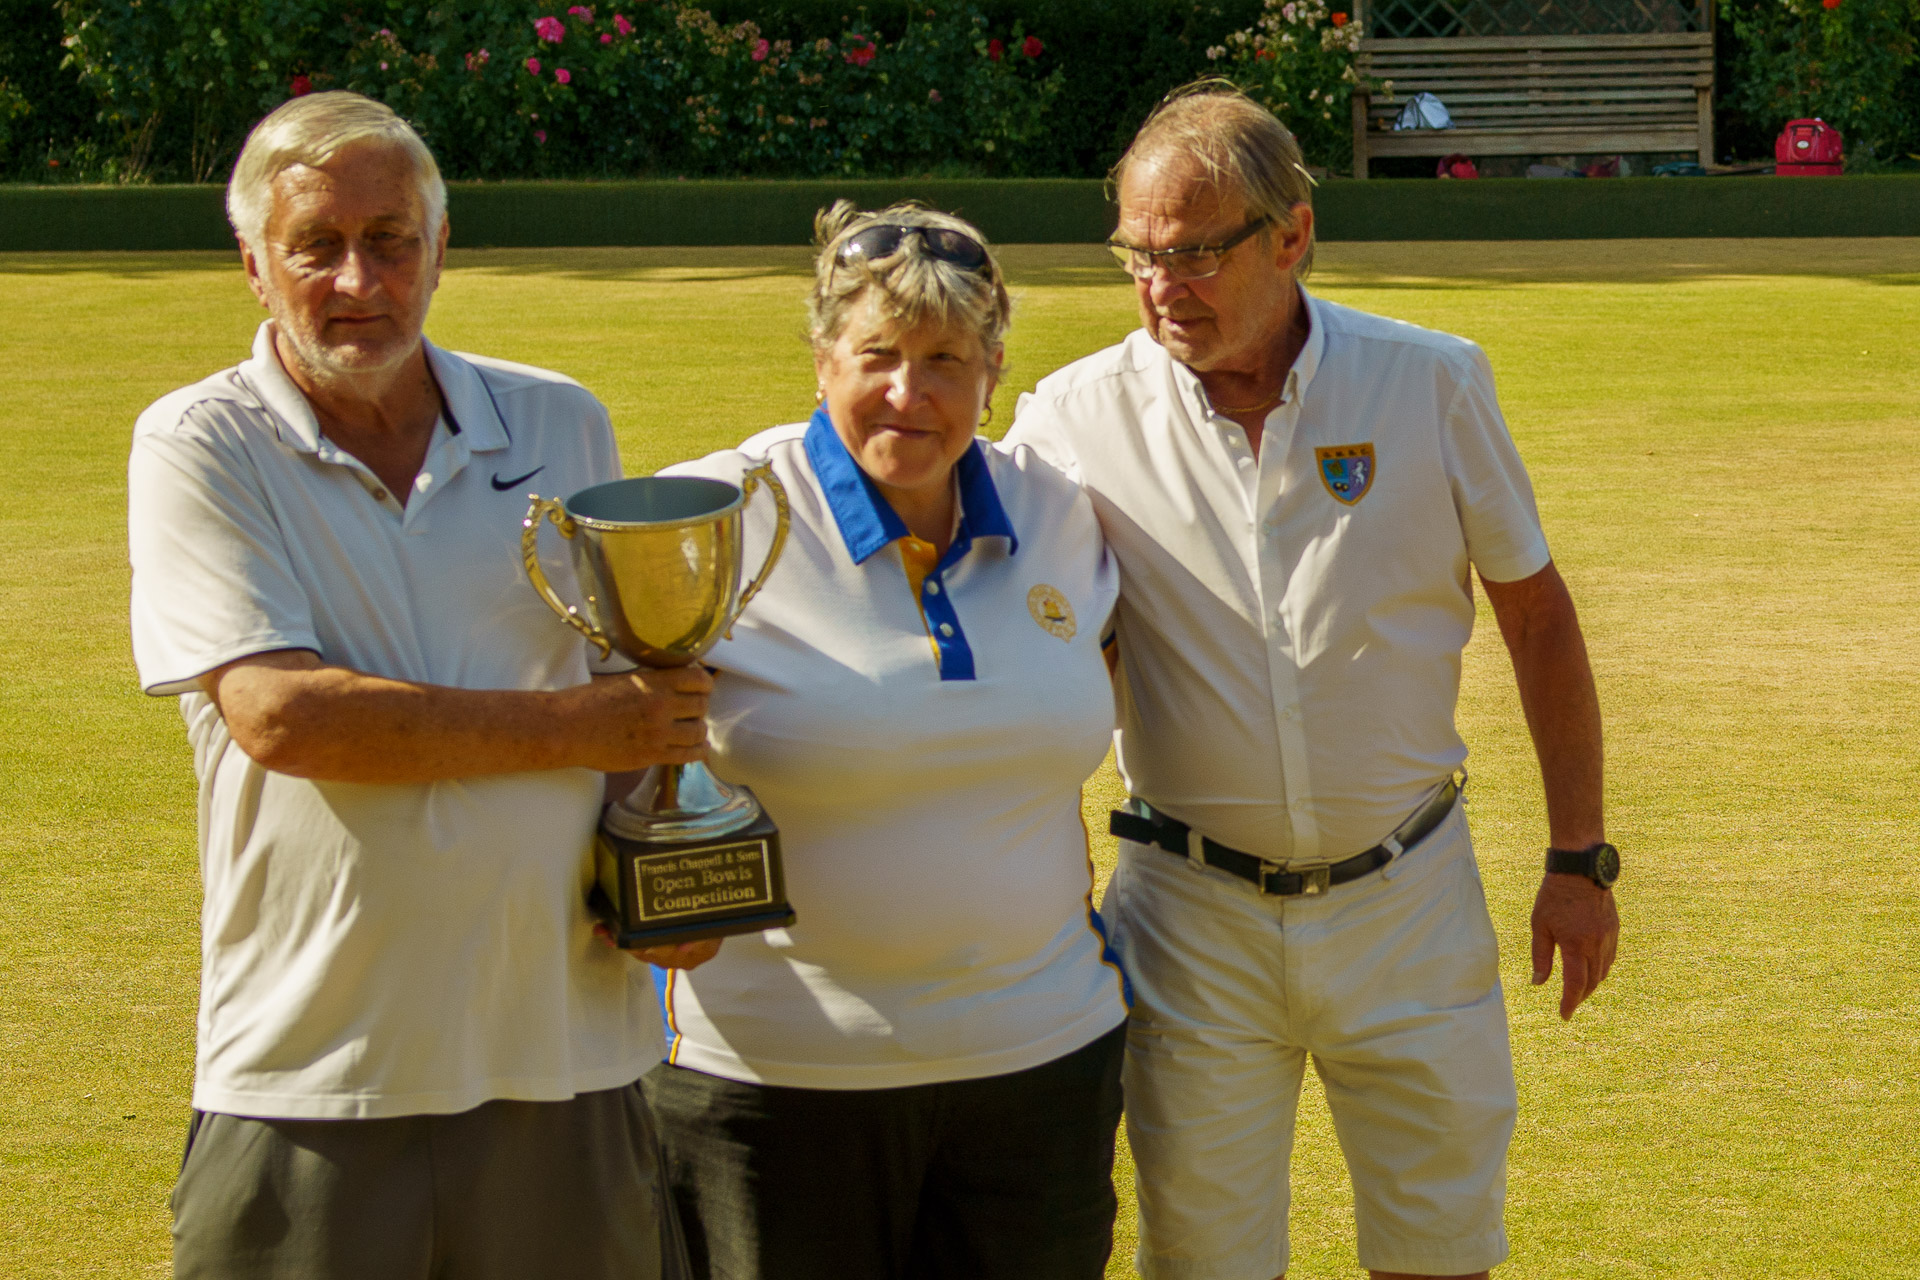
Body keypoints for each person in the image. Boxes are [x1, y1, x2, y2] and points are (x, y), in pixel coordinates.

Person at [1004, 84, 1622, 1280]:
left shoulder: (1431, 379)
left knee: (1441, 1252)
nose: (1160, 288)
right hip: (1187, 915)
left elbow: (1537, 618)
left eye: (1192, 254)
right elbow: (1026, 651)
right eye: (1137, 255)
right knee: (1203, 1261)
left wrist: (1578, 855)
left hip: (1410, 896)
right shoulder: (1069, 416)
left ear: (1291, 234)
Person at [127, 91, 714, 1280]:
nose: (360, 277)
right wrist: (582, 728)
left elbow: (637, 695)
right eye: (317, 246)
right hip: (312, 1067)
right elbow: (282, 716)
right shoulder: (197, 440)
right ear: (254, 264)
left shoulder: (561, 421)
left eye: (392, 239)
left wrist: (671, 850)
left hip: (569, 1054)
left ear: (441, 248)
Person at [640, 200, 1131, 1280]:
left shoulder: (1061, 511)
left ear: (994, 368)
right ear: (822, 357)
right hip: (774, 1088)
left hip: (1041, 1070)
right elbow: (616, 749)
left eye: (947, 359)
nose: (910, 394)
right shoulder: (719, 512)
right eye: (879, 356)